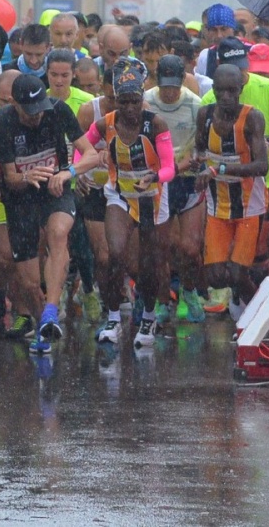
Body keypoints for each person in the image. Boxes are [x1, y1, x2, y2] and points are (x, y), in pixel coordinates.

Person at [0, 73, 96, 355]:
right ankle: (43, 324)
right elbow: (10, 177)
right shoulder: (2, 123)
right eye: (30, 112)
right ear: (14, 104)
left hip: (55, 189)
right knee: (27, 280)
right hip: (21, 199)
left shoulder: (58, 110)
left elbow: (92, 155)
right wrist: (27, 177)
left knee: (59, 232)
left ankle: (51, 308)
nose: (37, 117)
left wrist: (68, 172)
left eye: (40, 110)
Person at [80, 59, 174, 349]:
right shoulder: (105, 123)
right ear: (116, 100)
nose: (130, 109)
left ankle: (147, 315)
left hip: (151, 197)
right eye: (124, 102)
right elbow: (81, 145)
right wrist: (79, 171)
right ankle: (112, 317)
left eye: (135, 101)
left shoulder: (155, 123)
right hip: (118, 195)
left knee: (149, 263)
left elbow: (170, 167)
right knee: (113, 255)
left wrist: (154, 177)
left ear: (143, 98)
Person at [195, 65, 269, 319]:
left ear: (241, 90)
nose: (226, 97)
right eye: (220, 91)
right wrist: (199, 167)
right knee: (215, 277)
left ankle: (259, 317)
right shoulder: (204, 115)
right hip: (217, 205)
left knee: (238, 274)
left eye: (232, 91)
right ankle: (243, 299)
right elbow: (199, 151)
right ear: (213, 89)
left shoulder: (252, 118)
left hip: (249, 206)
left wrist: (220, 168)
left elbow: (262, 166)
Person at [146, 54, 206, 321]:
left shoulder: (196, 106)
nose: (169, 92)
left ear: (183, 80)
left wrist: (180, 166)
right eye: (164, 85)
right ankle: (161, 301)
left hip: (187, 180)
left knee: (190, 248)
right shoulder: (146, 102)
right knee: (162, 247)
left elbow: (200, 149)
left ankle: (189, 290)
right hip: (157, 182)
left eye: (174, 85)